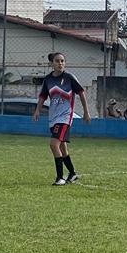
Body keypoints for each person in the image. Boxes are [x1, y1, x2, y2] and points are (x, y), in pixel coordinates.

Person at [31, 52, 91, 185]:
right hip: (53, 117)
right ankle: (72, 174)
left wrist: (86, 112)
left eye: (62, 61)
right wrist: (37, 111)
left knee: (53, 144)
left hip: (65, 117)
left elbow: (81, 93)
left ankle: (60, 178)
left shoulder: (69, 78)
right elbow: (42, 96)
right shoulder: (48, 80)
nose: (60, 63)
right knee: (62, 148)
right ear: (51, 64)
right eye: (57, 61)